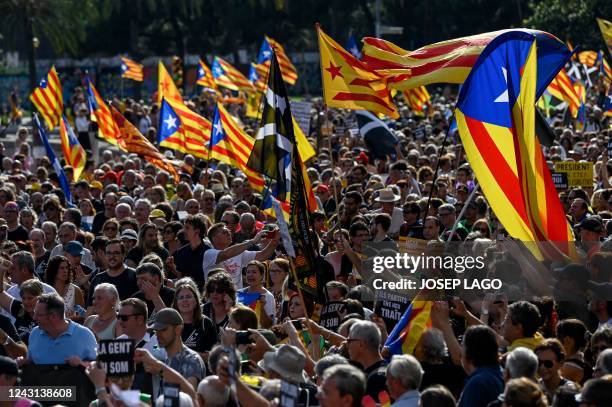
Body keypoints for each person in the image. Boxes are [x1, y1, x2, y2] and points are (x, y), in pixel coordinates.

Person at [27, 293, 97, 365]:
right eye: (35, 313)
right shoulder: (35, 333)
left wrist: (81, 363)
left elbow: (98, 367)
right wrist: (23, 362)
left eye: (39, 315)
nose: (34, 318)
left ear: (54, 316)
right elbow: (30, 362)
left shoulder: (84, 335)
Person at [202, 223, 277, 289]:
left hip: (236, 300)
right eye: (224, 232)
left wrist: (275, 240)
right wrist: (252, 241)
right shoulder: (209, 254)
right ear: (214, 238)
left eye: (228, 231)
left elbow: (262, 255)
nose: (229, 233)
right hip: (216, 299)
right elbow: (226, 254)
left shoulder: (238, 252)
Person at [150, 307, 206, 389]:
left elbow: (190, 395)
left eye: (163, 329)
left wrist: (162, 370)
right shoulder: (167, 358)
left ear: (178, 329)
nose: (158, 335)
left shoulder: (191, 359)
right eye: (156, 331)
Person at [458, 325, 503, 407]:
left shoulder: (477, 385)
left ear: (470, 352)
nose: (460, 352)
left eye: (462, 345)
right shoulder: (502, 374)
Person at [172, 278, 216, 361]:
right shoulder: (169, 324)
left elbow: (213, 356)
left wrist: (186, 352)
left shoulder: (205, 323)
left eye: (188, 297)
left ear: (196, 301)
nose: (185, 300)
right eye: (181, 297)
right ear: (176, 303)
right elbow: (157, 349)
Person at [87, 239, 138, 306]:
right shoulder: (98, 279)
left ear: (124, 254)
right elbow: (90, 308)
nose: (112, 256)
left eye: (116, 253)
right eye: (109, 253)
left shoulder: (135, 276)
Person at [347, 320, 388, 402]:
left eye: (349, 341)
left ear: (361, 344)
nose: (346, 345)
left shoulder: (378, 379)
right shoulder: (381, 372)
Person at [168, 214, 211, 290]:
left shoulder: (208, 252)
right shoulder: (181, 252)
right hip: (187, 293)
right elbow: (180, 277)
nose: (183, 230)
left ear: (197, 231)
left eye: (187, 228)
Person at [238, 260, 276, 328]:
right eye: (248, 272)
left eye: (254, 272)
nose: (250, 275)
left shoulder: (268, 297)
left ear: (262, 276)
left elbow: (268, 325)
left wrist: (261, 308)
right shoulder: (239, 293)